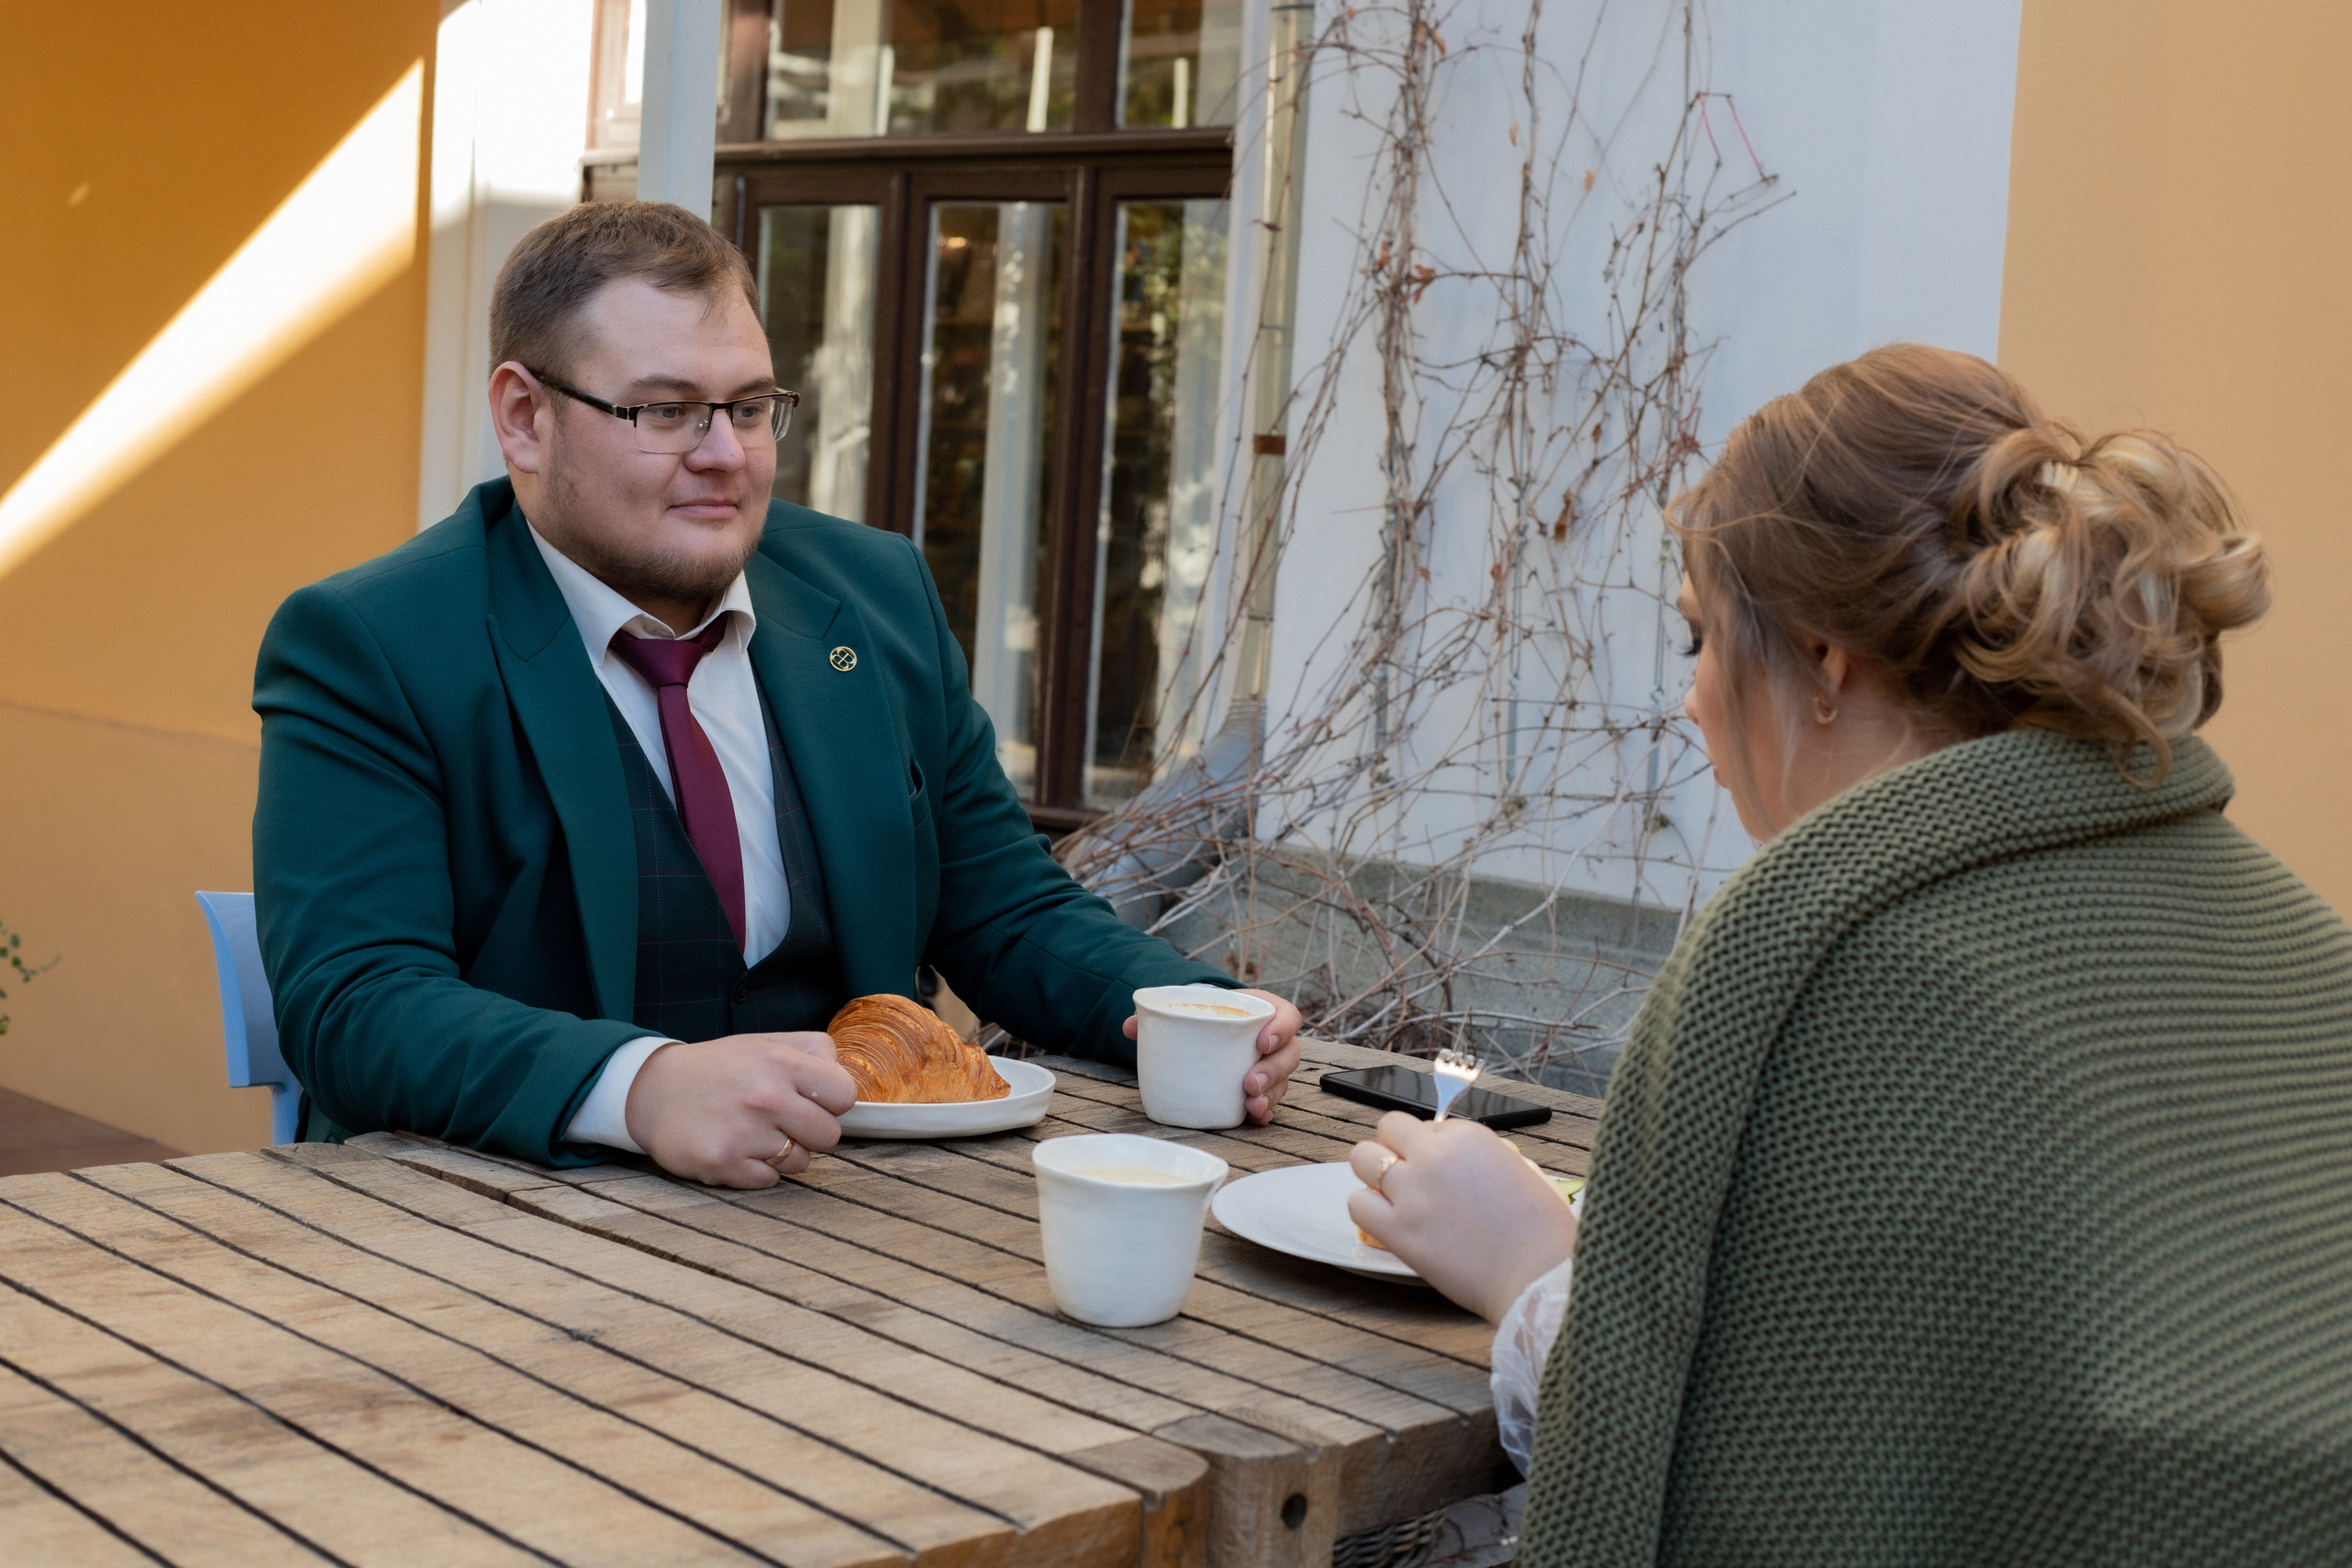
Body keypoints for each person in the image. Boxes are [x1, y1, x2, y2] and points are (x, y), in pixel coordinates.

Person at [1351, 344, 2352, 1562]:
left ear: (1825, 659)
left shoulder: (1825, 966)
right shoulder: (2293, 935)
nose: (1692, 698)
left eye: (1700, 639)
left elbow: (1753, 1501)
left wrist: (1527, 1270)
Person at [253, 201, 1299, 1188]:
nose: (725, 457)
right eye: (666, 411)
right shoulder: (373, 643)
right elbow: (358, 1004)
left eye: (749, 408)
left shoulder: (873, 595)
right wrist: (640, 1088)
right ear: (524, 418)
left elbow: (1001, 904)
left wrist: (1182, 1009)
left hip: (858, 1220)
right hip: (500, 1230)